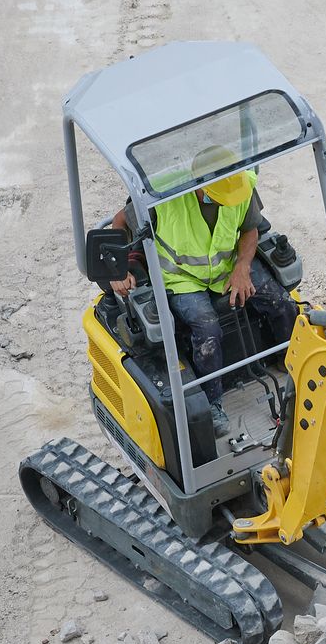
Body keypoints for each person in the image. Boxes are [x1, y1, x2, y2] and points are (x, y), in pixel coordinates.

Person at [111, 148, 298, 437]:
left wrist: (243, 267)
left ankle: (290, 360)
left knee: (281, 303)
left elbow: (250, 230)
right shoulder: (161, 197)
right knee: (207, 329)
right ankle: (213, 403)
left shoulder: (240, 182)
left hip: (227, 267)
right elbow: (120, 221)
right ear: (199, 188)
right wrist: (117, 268)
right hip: (182, 278)